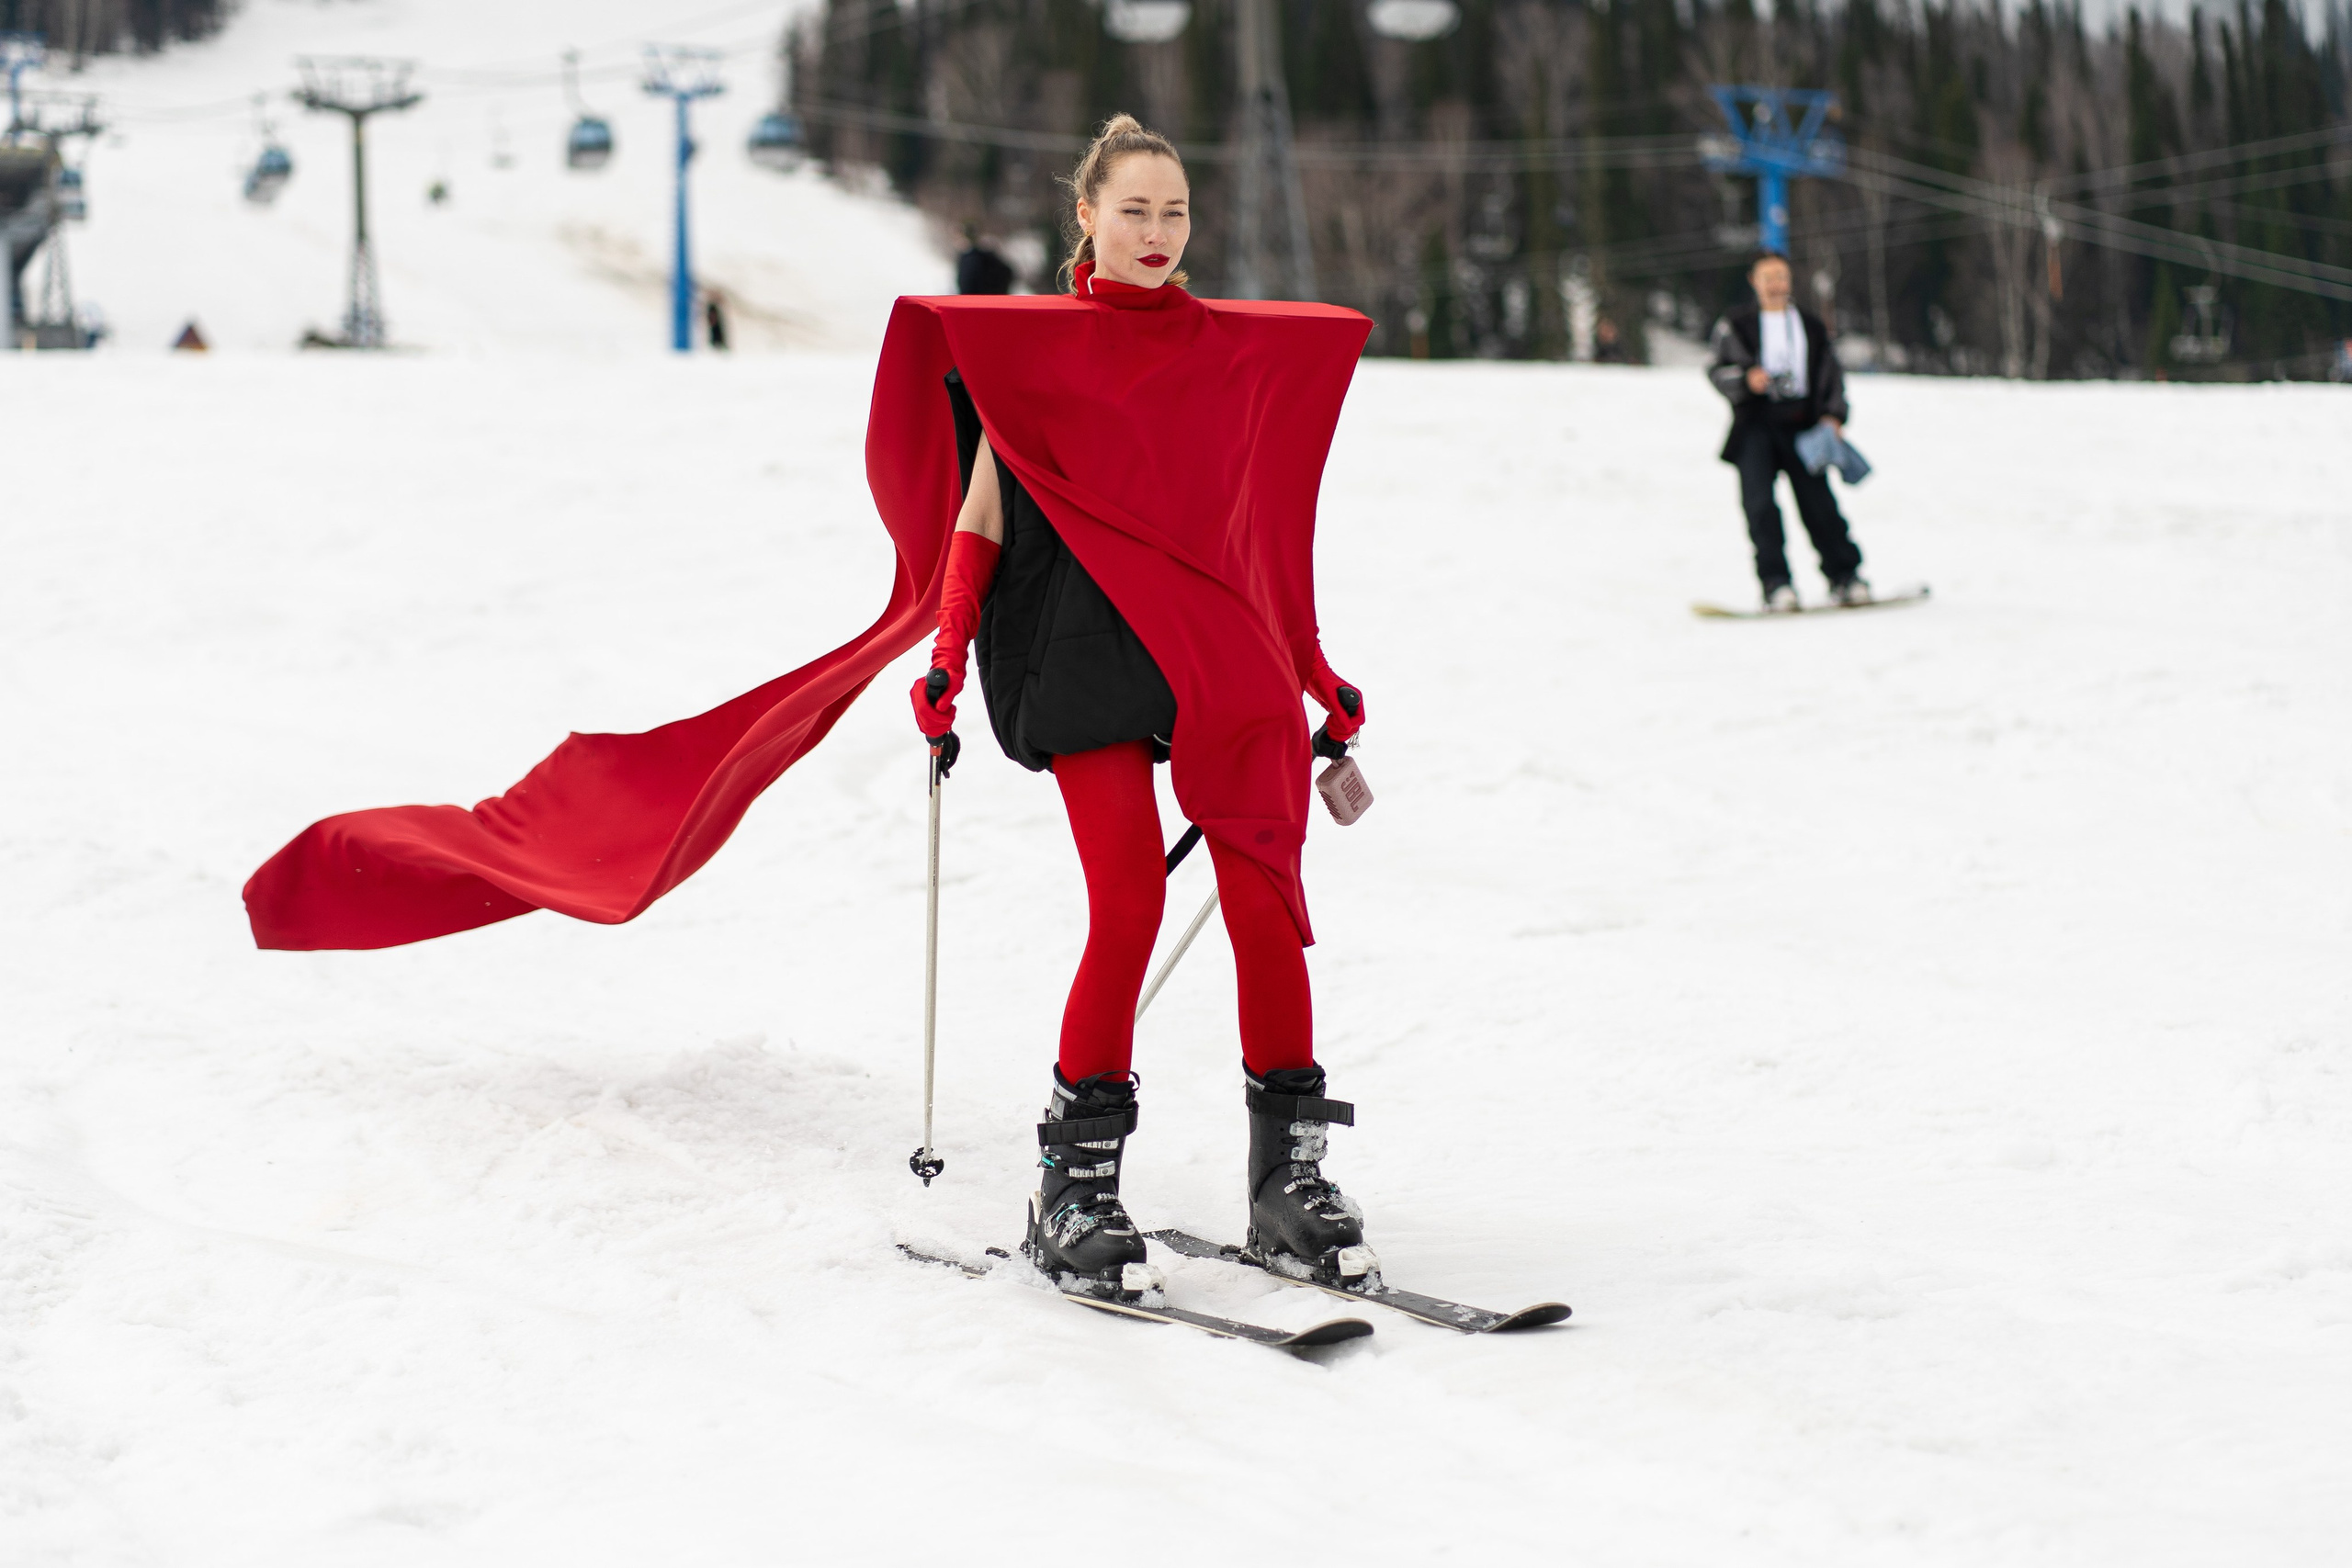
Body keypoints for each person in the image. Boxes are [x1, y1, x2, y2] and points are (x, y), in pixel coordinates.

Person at [910, 115, 1374, 1302]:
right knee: (1128, 896)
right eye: (1135, 210)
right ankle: (1073, 1180)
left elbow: (1261, 535)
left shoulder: (1221, 355)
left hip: (1212, 653)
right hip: (1083, 654)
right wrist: (948, 653)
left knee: (1265, 892)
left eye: (1175, 211)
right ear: (1087, 217)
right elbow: (979, 520)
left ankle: (1289, 1177)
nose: (1158, 232)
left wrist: (1315, 669)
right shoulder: (1034, 352)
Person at [1707, 250, 1870, 612]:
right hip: (1754, 426)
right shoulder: (1735, 325)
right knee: (1760, 507)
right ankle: (1776, 584)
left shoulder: (1811, 326)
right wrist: (1747, 380)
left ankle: (1846, 576)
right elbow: (1716, 371)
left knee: (1820, 506)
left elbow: (1832, 375)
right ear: (1754, 281)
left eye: (1781, 277)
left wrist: (1834, 417)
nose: (1776, 285)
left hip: (1803, 425)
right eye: (1768, 278)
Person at [955, 223, 1014, 295]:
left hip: (977, 300)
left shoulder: (972, 258)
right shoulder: (985, 257)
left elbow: (967, 283)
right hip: (990, 299)